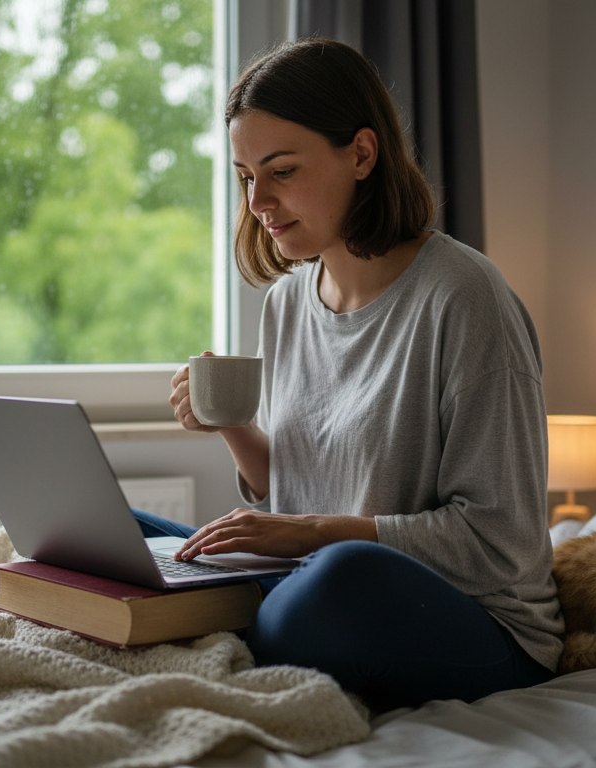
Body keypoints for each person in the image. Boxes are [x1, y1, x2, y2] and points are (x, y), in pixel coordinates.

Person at [154, 37, 561, 712]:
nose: (259, 201)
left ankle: (199, 628)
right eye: (246, 176)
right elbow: (292, 493)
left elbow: (501, 541)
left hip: (481, 627)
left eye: (282, 171)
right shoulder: (287, 304)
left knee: (344, 575)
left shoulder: (464, 298)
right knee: (133, 543)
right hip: (308, 578)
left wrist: (313, 534)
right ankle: (189, 612)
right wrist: (234, 428)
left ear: (362, 155)